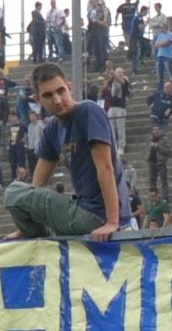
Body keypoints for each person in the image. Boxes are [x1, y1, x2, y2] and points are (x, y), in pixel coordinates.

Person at [12, 64, 126, 240]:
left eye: (61, 91)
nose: (57, 100)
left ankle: (34, 233)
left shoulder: (88, 111)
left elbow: (106, 168)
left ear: (70, 88)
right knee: (19, 191)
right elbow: (36, 187)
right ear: (37, 99)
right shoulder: (51, 130)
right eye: (48, 95)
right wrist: (25, 225)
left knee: (13, 192)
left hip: (98, 216)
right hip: (81, 211)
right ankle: (32, 233)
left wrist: (112, 222)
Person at [147, 127, 172, 194]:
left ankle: (164, 197)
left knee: (163, 181)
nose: (155, 131)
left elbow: (167, 151)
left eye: (157, 129)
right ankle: (153, 196)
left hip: (161, 162)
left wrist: (158, 146)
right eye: (154, 130)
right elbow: (146, 150)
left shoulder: (164, 139)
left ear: (160, 130)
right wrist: (146, 157)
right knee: (152, 181)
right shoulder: (150, 139)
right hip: (151, 162)